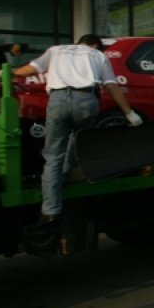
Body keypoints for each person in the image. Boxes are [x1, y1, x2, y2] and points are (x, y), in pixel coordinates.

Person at [12, 35, 142, 226]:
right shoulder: (98, 55)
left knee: (53, 156)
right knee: (78, 140)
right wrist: (129, 113)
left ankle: (51, 210)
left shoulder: (56, 50)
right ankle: (64, 175)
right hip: (86, 100)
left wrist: (7, 72)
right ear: (96, 45)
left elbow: (31, 69)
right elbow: (111, 86)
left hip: (58, 101)